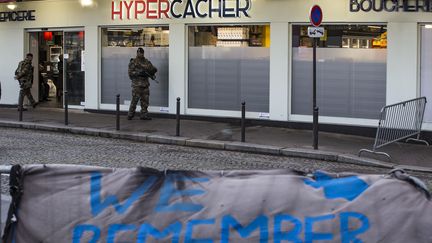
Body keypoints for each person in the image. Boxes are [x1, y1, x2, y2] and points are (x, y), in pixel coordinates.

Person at [127, 47, 157, 120]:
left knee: (145, 101)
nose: (140, 54)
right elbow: (130, 73)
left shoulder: (146, 62)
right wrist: (138, 73)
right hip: (137, 85)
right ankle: (130, 114)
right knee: (134, 100)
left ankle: (144, 115)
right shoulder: (133, 62)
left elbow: (152, 70)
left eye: (142, 53)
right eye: (139, 53)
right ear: (137, 53)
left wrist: (152, 73)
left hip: (145, 84)